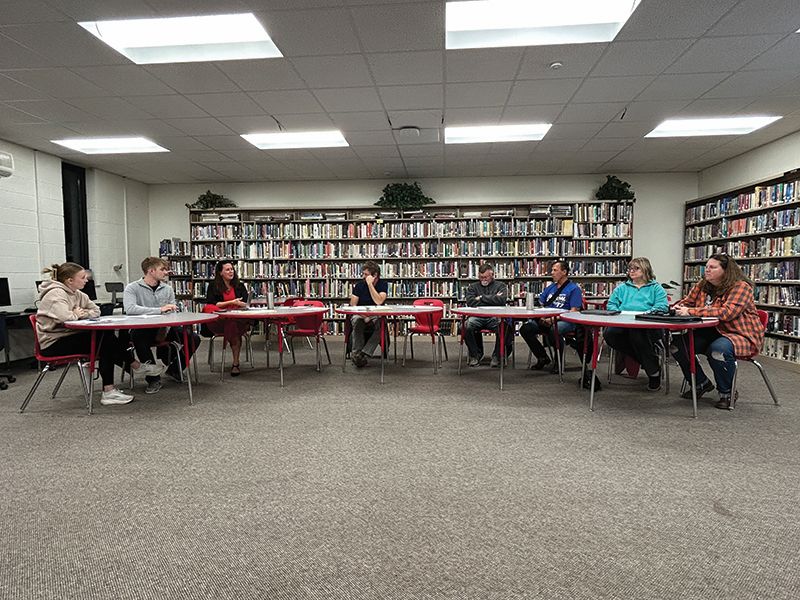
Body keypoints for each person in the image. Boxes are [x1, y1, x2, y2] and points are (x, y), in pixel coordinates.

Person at [36, 262, 158, 406]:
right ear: (70, 280)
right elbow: (65, 317)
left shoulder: (77, 293)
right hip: (53, 343)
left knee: (105, 338)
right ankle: (132, 369)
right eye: (82, 277)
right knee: (104, 340)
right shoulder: (55, 293)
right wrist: (76, 313)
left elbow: (96, 310)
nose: (86, 280)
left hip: (69, 336)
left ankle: (116, 384)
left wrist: (81, 313)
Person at [671, 254, 764, 410]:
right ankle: (701, 383)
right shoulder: (703, 285)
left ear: (726, 271)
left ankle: (727, 392)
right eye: (707, 267)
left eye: (712, 267)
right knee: (678, 345)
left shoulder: (741, 287)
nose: (707, 270)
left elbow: (727, 313)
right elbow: (686, 302)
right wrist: (675, 308)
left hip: (738, 334)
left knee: (718, 350)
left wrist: (691, 311)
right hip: (710, 331)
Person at [124, 257, 200, 394]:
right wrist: (159, 310)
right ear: (150, 271)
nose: (166, 272)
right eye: (163, 269)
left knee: (193, 338)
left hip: (165, 327)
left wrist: (170, 311)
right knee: (138, 338)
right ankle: (153, 378)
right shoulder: (132, 288)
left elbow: (171, 309)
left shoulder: (167, 289)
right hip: (143, 328)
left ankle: (175, 369)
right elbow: (130, 309)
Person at [603, 257, 668, 391]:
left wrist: (647, 313)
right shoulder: (621, 288)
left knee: (637, 334)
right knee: (609, 334)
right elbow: (611, 305)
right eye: (630, 268)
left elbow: (662, 307)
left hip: (647, 325)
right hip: (623, 323)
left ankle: (654, 374)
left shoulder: (656, 288)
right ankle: (651, 364)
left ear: (646, 269)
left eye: (636, 268)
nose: (631, 271)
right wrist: (619, 312)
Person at [519, 260, 583, 372]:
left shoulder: (574, 289)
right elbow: (541, 304)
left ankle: (558, 362)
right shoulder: (550, 288)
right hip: (547, 319)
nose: (552, 273)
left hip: (565, 321)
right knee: (525, 328)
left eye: (555, 270)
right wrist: (542, 317)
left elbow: (573, 311)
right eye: (552, 270)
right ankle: (542, 357)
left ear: (564, 272)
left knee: (554, 330)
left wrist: (553, 319)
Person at [202, 260, 251, 377]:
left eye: (232, 269)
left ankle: (235, 362)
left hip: (237, 318)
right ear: (220, 273)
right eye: (227, 270)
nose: (231, 272)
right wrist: (232, 302)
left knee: (233, 324)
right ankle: (235, 363)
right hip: (219, 320)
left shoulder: (239, 285)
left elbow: (246, 303)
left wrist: (242, 304)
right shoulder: (213, 286)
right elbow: (212, 304)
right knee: (231, 325)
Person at [464, 263, 513, 368]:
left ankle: (497, 355)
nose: (483, 280)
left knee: (504, 326)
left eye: (485, 277)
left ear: (492, 275)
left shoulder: (501, 286)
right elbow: (470, 302)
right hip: (477, 316)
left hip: (494, 317)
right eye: (481, 277)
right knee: (466, 326)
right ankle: (475, 354)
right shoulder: (473, 287)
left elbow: (501, 300)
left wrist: (481, 297)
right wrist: (493, 298)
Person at [349, 261, 389, 368]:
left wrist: (370, 285)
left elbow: (379, 301)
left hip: (376, 315)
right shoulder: (359, 285)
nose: (363, 277)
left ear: (374, 275)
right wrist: (364, 316)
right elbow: (353, 305)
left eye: (366, 275)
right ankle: (356, 354)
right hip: (360, 314)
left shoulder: (382, 284)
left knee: (381, 324)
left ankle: (364, 354)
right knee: (357, 322)